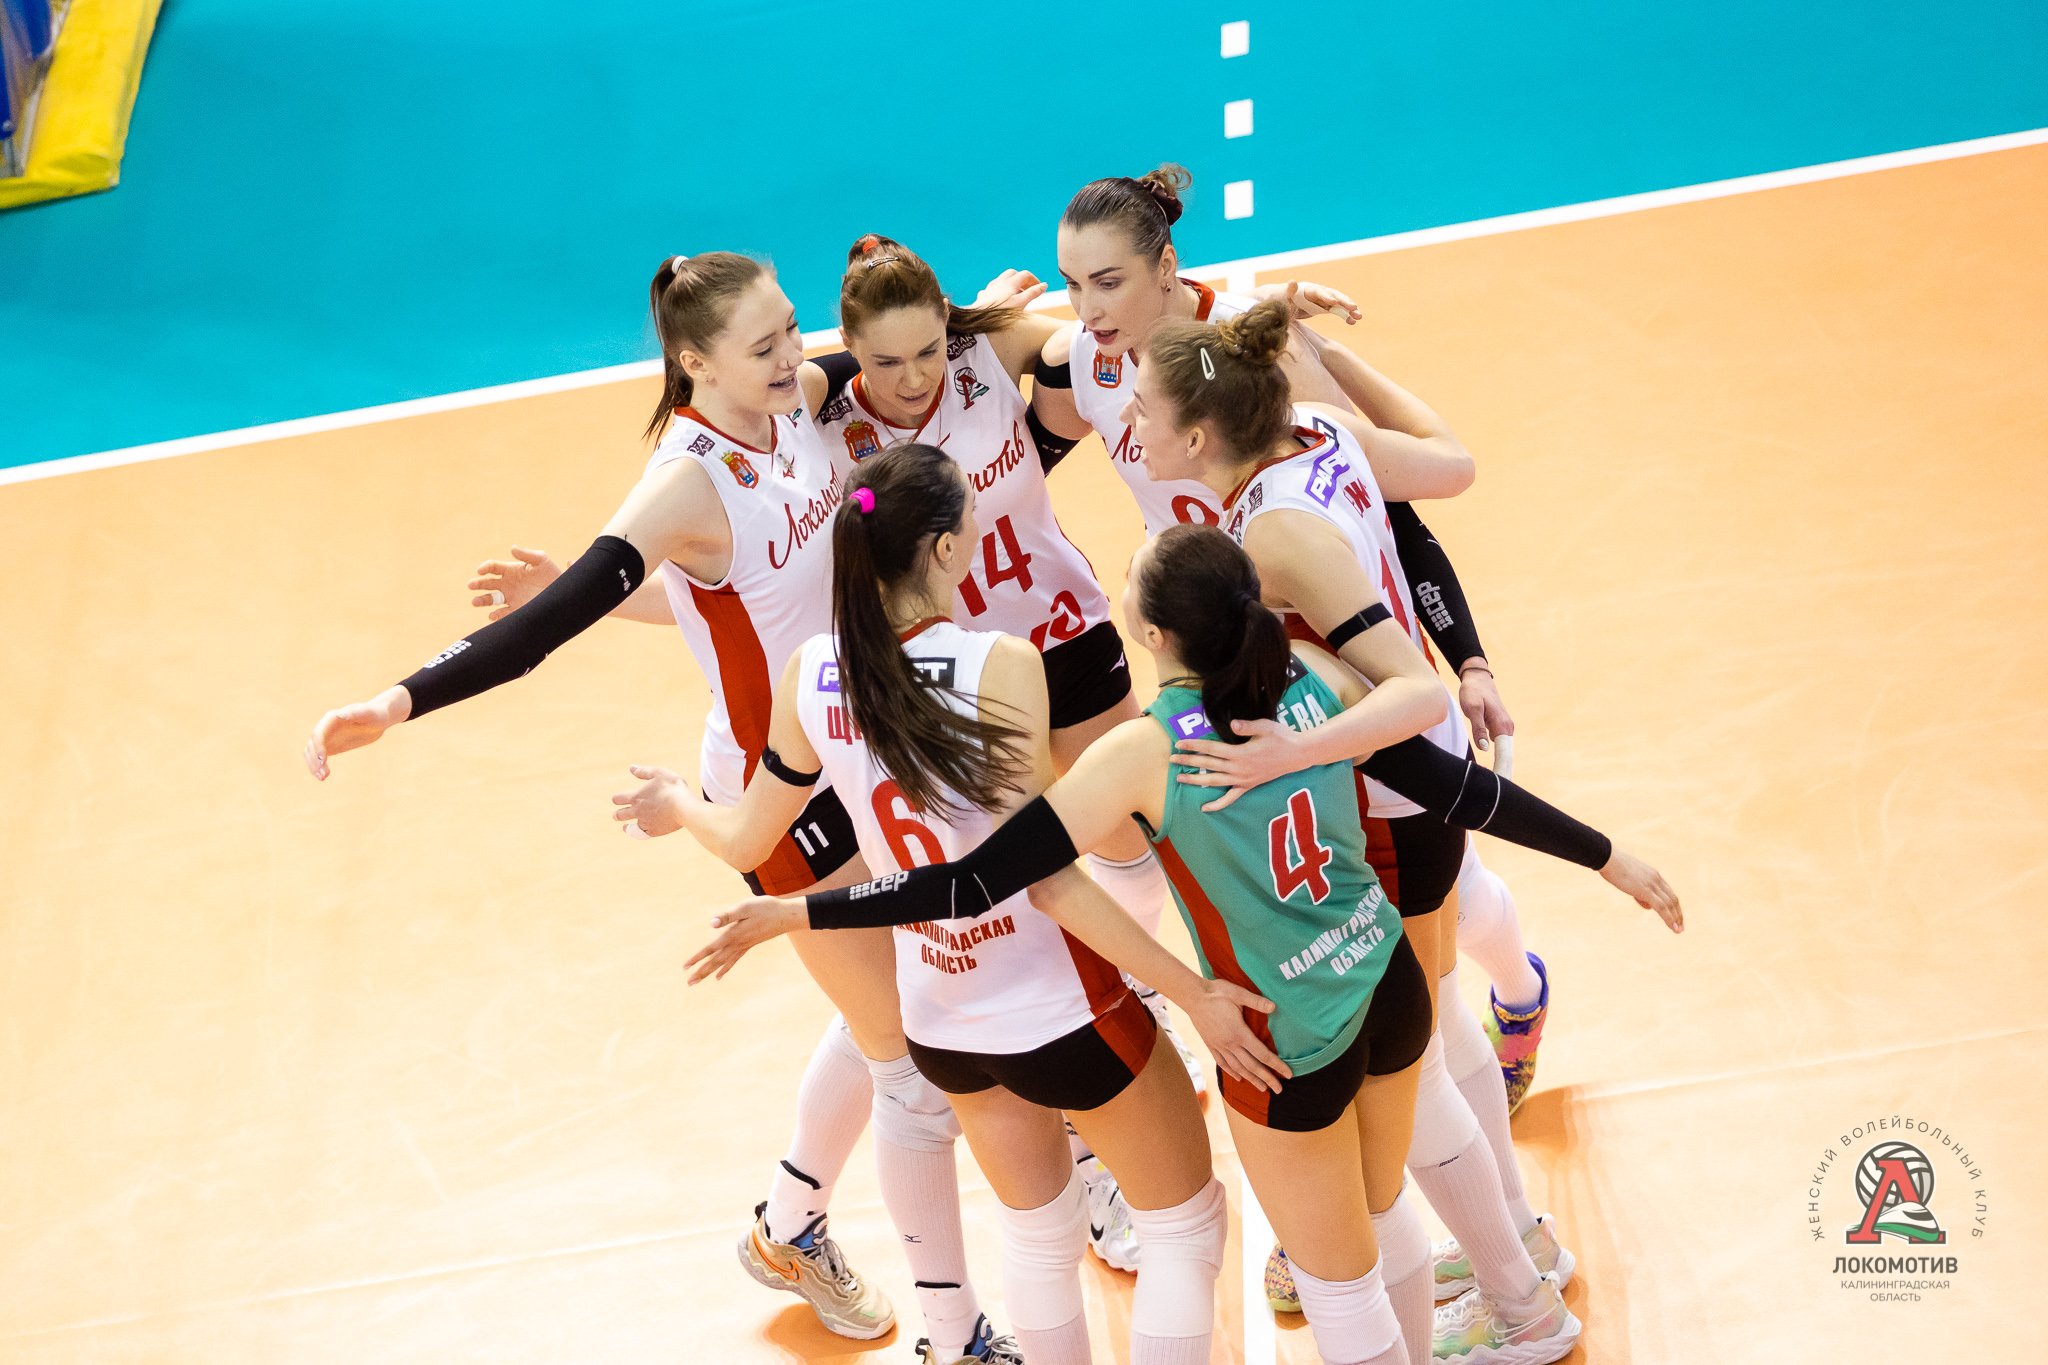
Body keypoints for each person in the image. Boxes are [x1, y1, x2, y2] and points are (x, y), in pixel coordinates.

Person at [304, 253, 989, 1352]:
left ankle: (787, 1224)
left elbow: (739, 587)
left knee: (887, 1003)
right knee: (909, 1052)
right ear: (694, 362)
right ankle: (947, 1323)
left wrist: (989, 312)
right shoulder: (682, 485)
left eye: (789, 329)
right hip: (776, 791)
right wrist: (396, 701)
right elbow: (544, 629)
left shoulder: (797, 402)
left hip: (853, 739)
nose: (792, 356)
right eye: (764, 345)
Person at [685, 522, 1472, 1365]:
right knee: (1383, 1212)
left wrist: (800, 913)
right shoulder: (1316, 671)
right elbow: (1441, 750)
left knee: (1331, 1282)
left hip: (1280, 1028)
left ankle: (953, 1330)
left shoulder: (1140, 752)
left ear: (1155, 634)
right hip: (1383, 971)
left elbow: (978, 881)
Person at [628, 445, 1262, 1364]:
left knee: (1038, 1236)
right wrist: (1188, 988)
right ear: (945, 549)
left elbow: (741, 841)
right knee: (1185, 1227)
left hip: (940, 1014)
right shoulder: (1002, 664)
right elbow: (1044, 877)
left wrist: (677, 802)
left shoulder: (812, 673)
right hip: (1056, 999)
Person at [1127, 301, 1590, 1362]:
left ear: (1196, 435)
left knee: (1422, 1063)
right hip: (1396, 793)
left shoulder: (1268, 533)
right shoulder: (1320, 433)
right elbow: (1449, 466)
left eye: (1143, 410)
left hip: (1382, 802)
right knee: (1435, 1035)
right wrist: (1328, 354)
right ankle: (1520, 1260)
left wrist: (1291, 751)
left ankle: (1521, 1293)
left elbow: (1402, 688)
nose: (1131, 426)